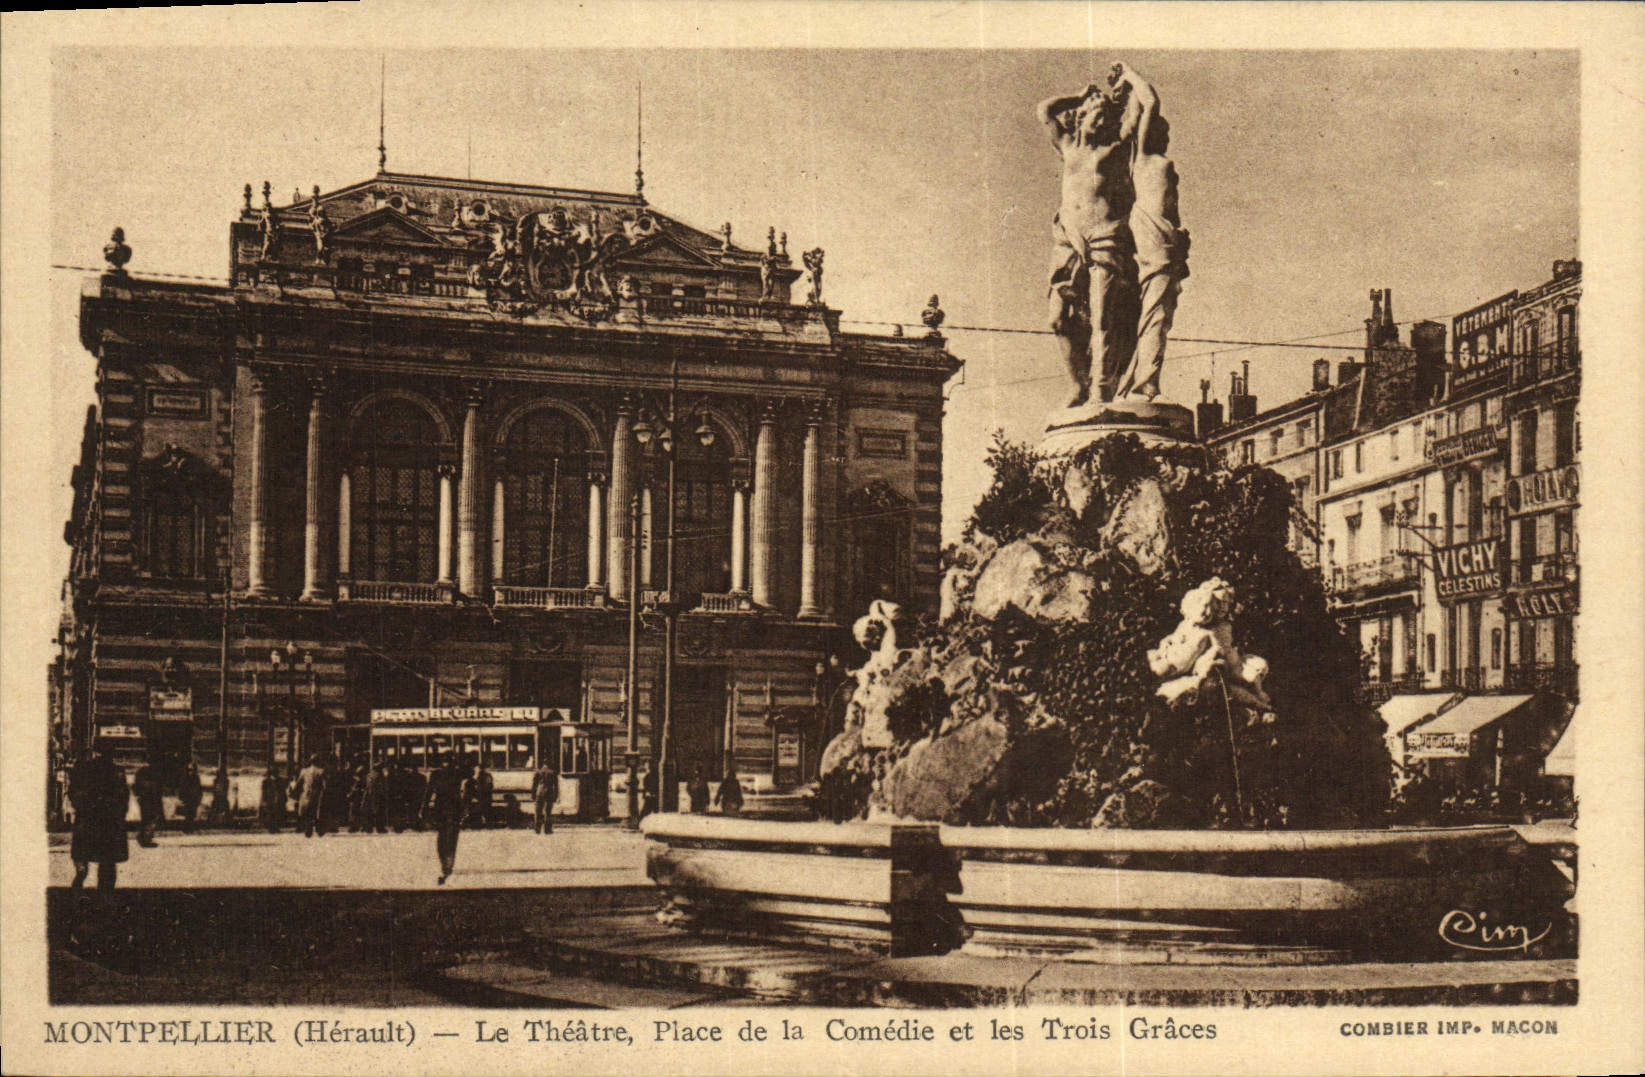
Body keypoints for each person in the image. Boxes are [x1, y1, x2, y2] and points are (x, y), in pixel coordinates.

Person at [1039, 79, 1137, 407]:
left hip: (1104, 236)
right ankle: (1078, 385)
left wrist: (1129, 84)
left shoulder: (1114, 150)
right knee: (1058, 318)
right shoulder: (1068, 147)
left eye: (1105, 117)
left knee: (1102, 316)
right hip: (1068, 238)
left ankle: (1101, 387)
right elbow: (1045, 111)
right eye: (1094, 114)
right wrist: (1078, 94)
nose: (1100, 121)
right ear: (1080, 118)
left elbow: (1140, 116)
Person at [1109, 62, 1189, 401]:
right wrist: (1128, 74)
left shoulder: (1158, 163)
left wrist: (1181, 238)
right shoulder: (1142, 158)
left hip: (1166, 239)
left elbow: (1172, 206)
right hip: (1152, 237)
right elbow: (1150, 103)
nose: (1166, 136)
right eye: (1161, 131)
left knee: (1161, 313)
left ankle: (1145, 378)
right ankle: (1146, 382)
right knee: (1155, 311)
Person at [69, 747, 130, 892]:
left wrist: (82, 807)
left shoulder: (87, 771)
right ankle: (104, 894)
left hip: (89, 819)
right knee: (107, 862)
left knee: (83, 856)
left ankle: (79, 885)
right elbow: (123, 798)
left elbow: (74, 794)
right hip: (108, 822)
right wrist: (119, 815)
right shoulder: (117, 773)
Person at [424, 752, 468, 885]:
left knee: (445, 837)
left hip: (446, 809)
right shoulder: (455, 774)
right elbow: (429, 791)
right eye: (446, 762)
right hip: (448, 810)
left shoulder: (443, 774)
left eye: (449, 762)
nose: (447, 764)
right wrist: (424, 806)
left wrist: (424, 807)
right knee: (448, 837)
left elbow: (429, 792)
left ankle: (447, 864)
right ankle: (447, 863)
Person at [293, 753, 328, 838]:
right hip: (317, 796)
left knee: (306, 813)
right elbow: (325, 785)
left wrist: (295, 793)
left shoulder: (303, 771)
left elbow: (298, 784)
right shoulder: (321, 771)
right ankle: (318, 828)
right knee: (318, 812)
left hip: (306, 795)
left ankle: (307, 828)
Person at [132, 759, 162, 848]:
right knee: (150, 818)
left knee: (146, 818)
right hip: (149, 798)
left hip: (145, 798)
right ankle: (146, 839)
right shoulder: (152, 772)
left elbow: (136, 786)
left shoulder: (142, 771)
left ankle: (143, 837)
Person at [531, 757, 559, 834]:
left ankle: (537, 829)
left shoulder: (538, 772)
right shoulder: (553, 772)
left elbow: (534, 785)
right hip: (549, 793)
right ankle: (547, 830)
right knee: (548, 811)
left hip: (539, 792)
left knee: (538, 811)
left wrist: (533, 794)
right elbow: (556, 786)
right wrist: (556, 796)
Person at [466, 759, 495, 829]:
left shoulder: (486, 777)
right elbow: (468, 788)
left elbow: (486, 789)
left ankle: (478, 820)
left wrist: (476, 797)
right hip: (477, 799)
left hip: (483, 799)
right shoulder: (472, 779)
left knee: (478, 805)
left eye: (477, 770)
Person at [177, 761, 203, 835]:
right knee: (187, 814)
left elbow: (199, 788)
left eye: (192, 770)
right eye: (189, 770)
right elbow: (181, 788)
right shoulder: (184, 778)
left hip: (194, 798)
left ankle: (190, 828)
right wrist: (181, 798)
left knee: (192, 814)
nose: (190, 772)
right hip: (187, 798)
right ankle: (186, 829)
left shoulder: (197, 778)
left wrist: (199, 797)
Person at [259, 768, 287, 833]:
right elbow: (264, 792)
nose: (276, 774)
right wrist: (264, 800)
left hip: (279, 800)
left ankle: (276, 827)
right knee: (270, 814)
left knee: (278, 814)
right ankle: (271, 828)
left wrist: (284, 799)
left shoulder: (281, 780)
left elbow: (283, 791)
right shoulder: (266, 781)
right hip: (270, 800)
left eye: (276, 773)